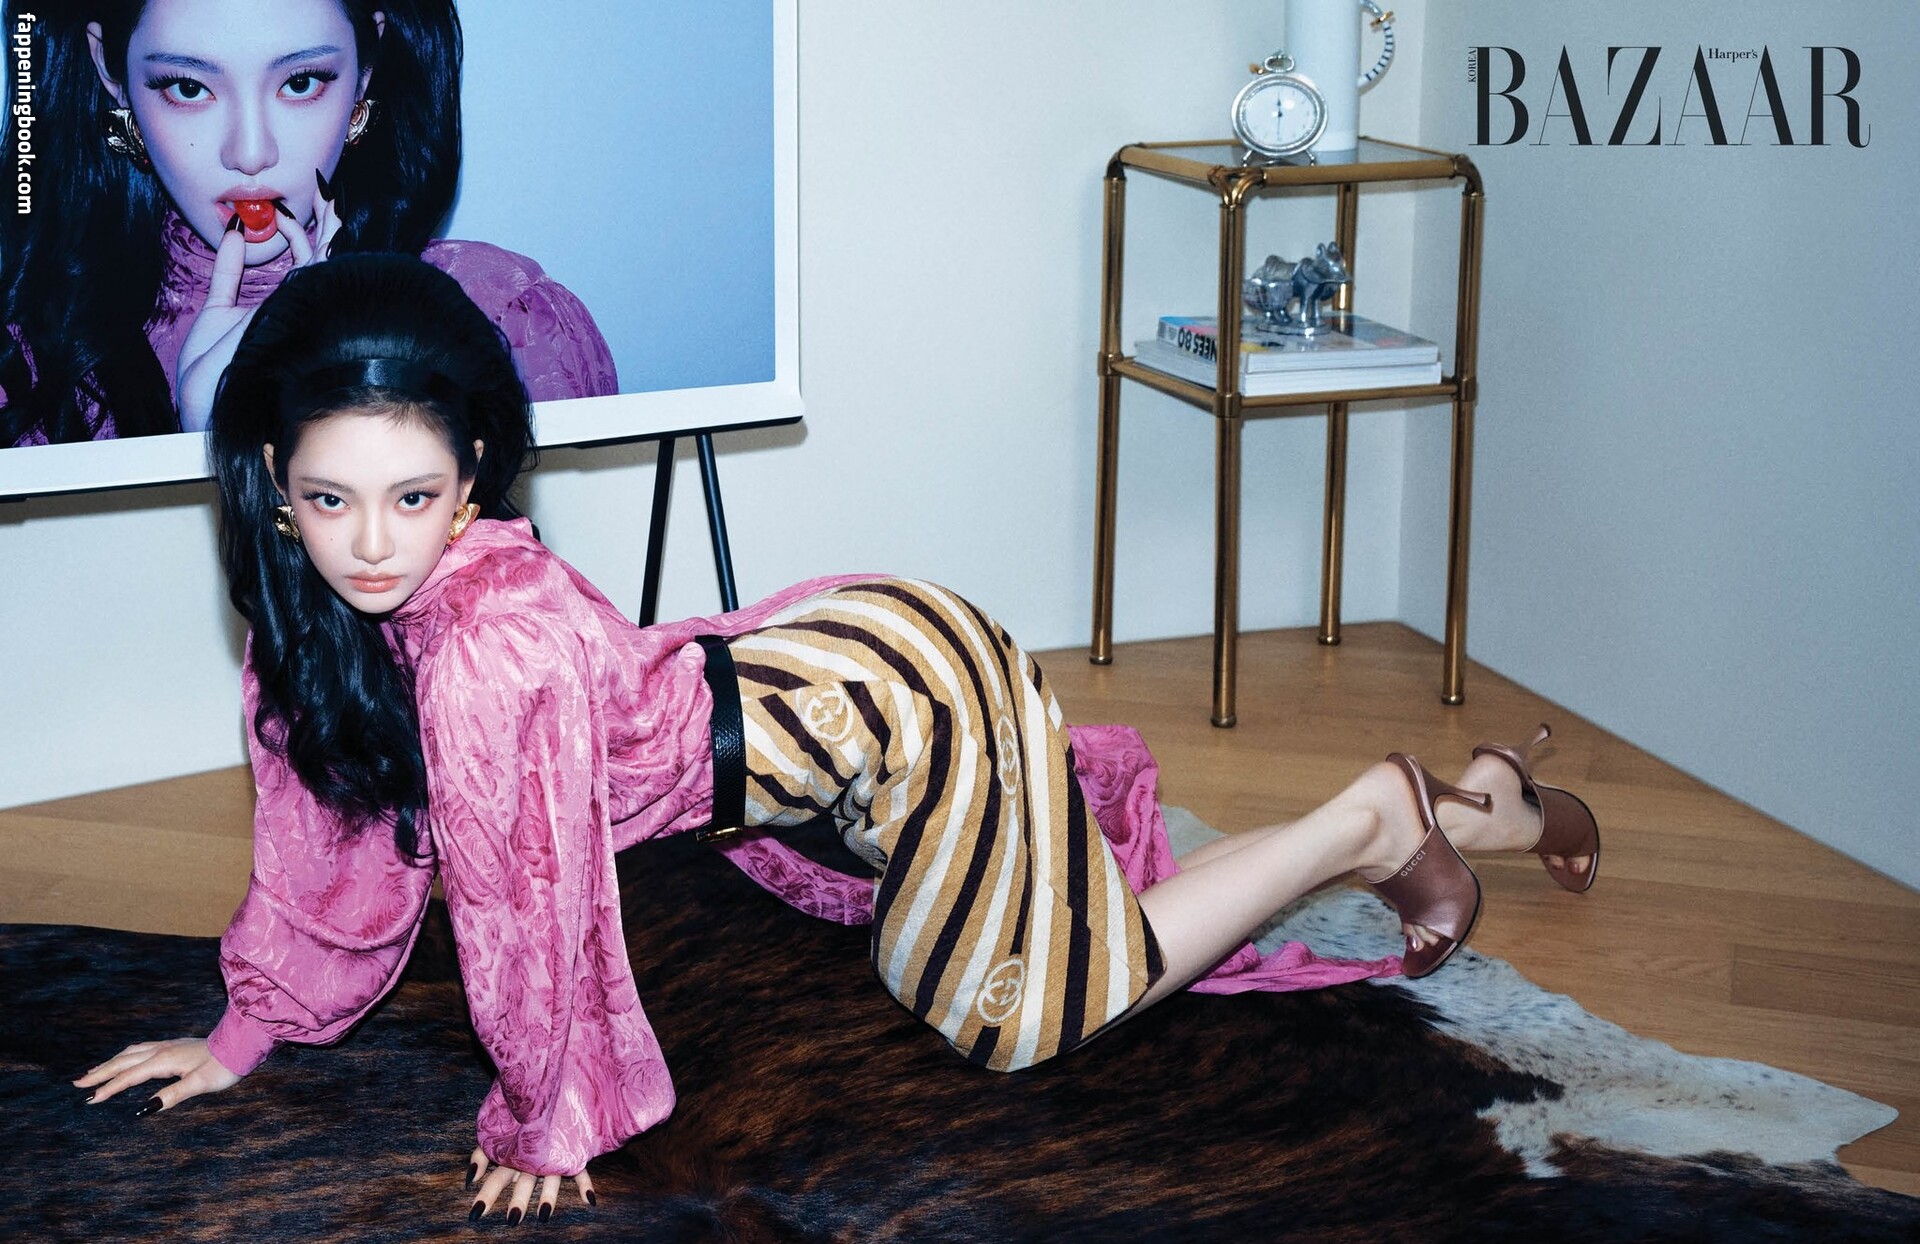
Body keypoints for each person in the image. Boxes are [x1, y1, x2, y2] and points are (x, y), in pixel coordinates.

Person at [74, 255, 1601, 1226]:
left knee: (1010, 1014)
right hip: (804, 704)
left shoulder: (492, 651)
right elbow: (330, 834)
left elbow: (529, 909)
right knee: (1005, 936)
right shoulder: (308, 623)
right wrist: (244, 1032)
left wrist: (549, 1123)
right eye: (329, 499)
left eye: (413, 498)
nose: (369, 544)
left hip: (904, 709)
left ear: (473, 475)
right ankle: (1478, 807)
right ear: (269, 477)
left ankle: (1366, 821)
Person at [0, 0, 616, 447]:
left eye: (300, 82)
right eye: (187, 88)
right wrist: (200, 456)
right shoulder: (28, 373)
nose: (250, 153)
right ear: (111, 72)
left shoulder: (503, 323)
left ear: (366, 68)